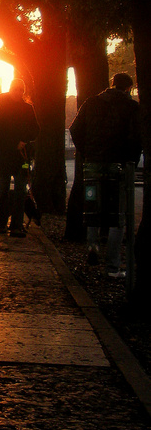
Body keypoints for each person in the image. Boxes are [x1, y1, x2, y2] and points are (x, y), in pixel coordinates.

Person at [69, 72, 142, 279]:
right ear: (128, 88)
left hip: (92, 164)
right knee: (118, 215)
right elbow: (136, 138)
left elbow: (75, 129)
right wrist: (131, 163)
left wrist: (87, 151)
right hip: (118, 166)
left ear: (112, 84)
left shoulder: (91, 102)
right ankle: (112, 266)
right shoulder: (132, 107)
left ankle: (93, 246)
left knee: (92, 206)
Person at [0, 78, 40, 237]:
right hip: (4, 156)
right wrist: (15, 142)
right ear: (11, 89)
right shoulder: (1, 106)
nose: (18, 92)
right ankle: (2, 223)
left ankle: (16, 225)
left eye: (20, 89)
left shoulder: (28, 108)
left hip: (22, 158)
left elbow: (35, 130)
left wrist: (23, 141)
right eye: (15, 89)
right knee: (2, 191)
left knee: (21, 190)